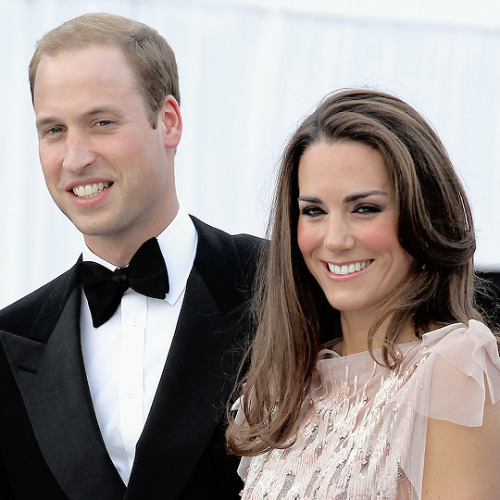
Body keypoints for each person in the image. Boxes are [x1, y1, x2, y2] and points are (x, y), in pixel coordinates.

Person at [0, 12, 262, 500]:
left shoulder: (278, 285)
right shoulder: (9, 339)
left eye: (101, 122)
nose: (75, 159)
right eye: (53, 130)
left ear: (168, 122)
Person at [227, 89, 500, 499]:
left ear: (422, 215)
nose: (334, 240)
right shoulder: (286, 388)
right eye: (314, 211)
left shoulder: (454, 365)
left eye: (365, 208)